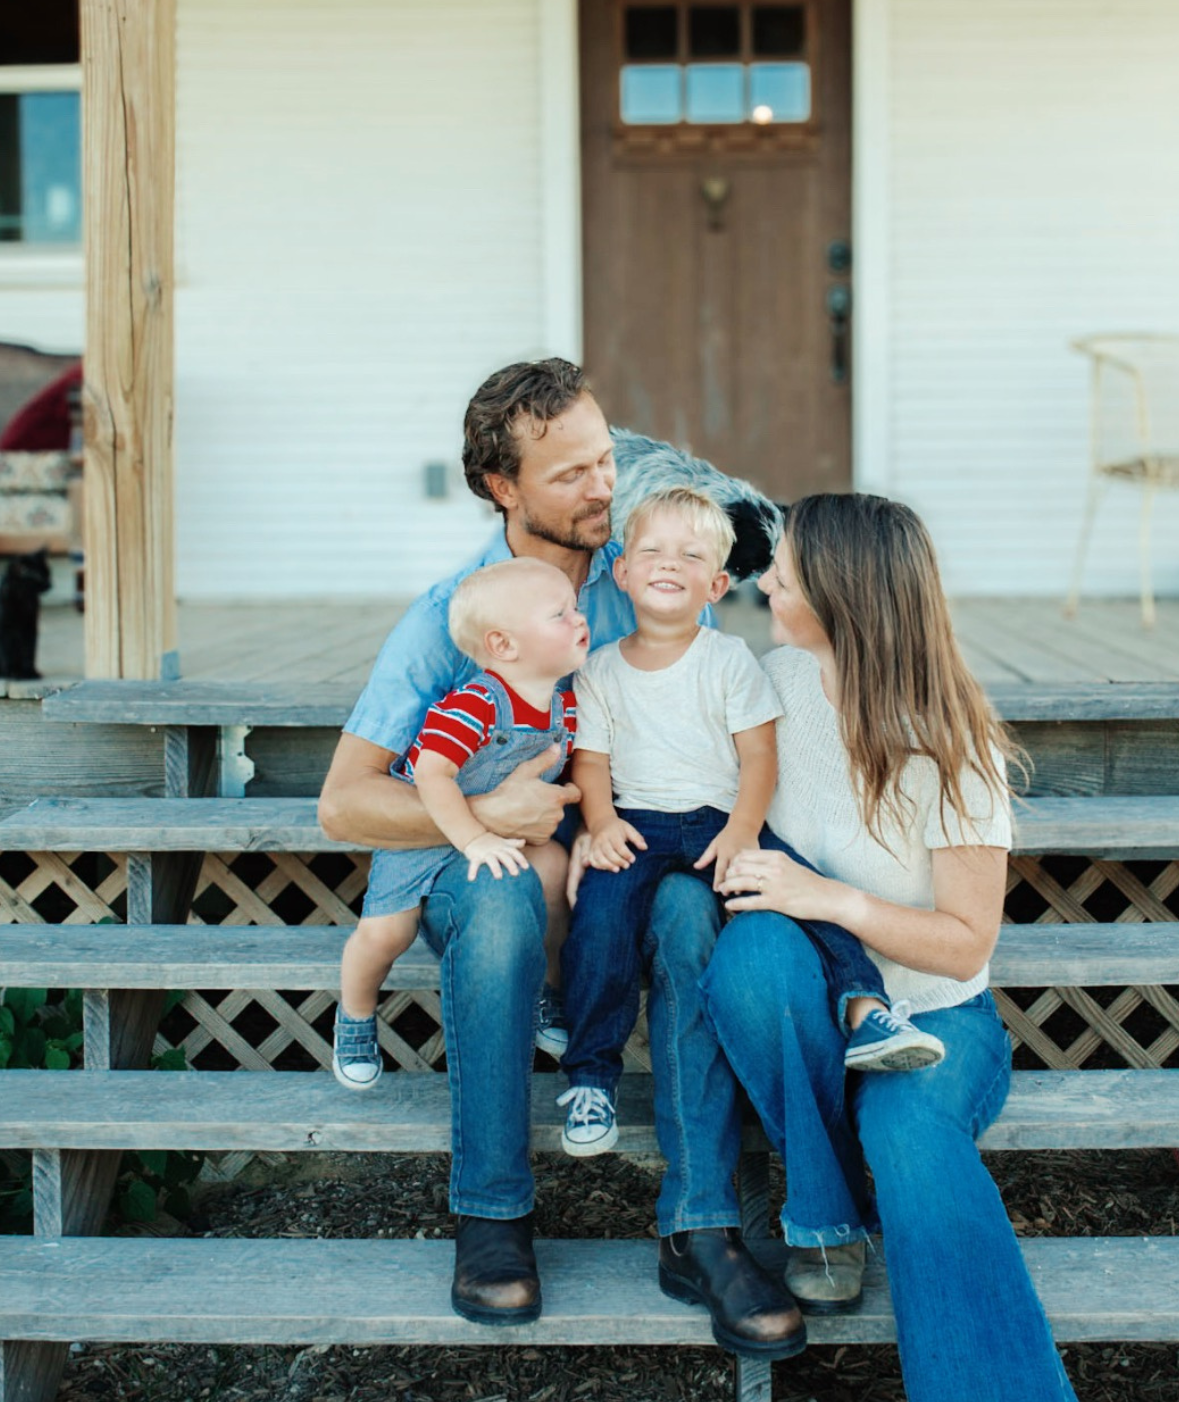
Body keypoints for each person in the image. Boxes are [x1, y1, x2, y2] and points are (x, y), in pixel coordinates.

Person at [318, 359, 805, 1357]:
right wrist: (486, 810)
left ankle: (700, 1227)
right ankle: (492, 1213)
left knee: (686, 912)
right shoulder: (455, 614)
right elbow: (342, 803)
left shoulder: (649, 578)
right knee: (498, 909)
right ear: (504, 488)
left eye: (606, 460)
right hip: (484, 855)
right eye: (572, 473)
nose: (605, 488)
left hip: (628, 853)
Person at [701, 493, 1079, 1401]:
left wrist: (832, 898)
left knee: (911, 1140)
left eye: (782, 575)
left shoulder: (952, 750)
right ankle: (828, 1216)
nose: (762, 584)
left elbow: (962, 946)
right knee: (751, 958)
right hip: (813, 1012)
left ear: (842, 599)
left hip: (938, 1020)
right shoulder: (777, 685)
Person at [558, 486, 945, 1158]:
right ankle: (591, 1078)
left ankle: (867, 1010)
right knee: (598, 922)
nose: (668, 563)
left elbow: (758, 760)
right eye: (651, 550)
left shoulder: (731, 661)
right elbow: (589, 762)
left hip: (720, 819)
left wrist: (742, 830)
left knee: (800, 889)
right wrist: (597, 824)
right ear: (621, 573)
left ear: (715, 585)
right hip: (638, 826)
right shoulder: (599, 673)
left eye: (689, 555)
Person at [331, 557, 589, 1091]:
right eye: (559, 613)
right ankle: (354, 1016)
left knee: (556, 872)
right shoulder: (472, 705)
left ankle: (547, 992)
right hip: (426, 834)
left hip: (503, 835)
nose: (579, 618)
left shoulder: (565, 707)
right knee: (385, 933)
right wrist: (471, 837)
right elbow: (432, 774)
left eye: (576, 607)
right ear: (504, 645)